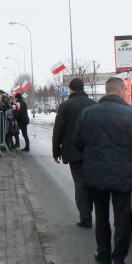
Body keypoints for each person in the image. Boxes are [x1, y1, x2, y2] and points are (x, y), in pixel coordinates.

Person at [71, 77, 132, 264]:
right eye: (124, 90)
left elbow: (76, 141)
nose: (125, 94)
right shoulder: (129, 114)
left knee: (101, 215)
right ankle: (119, 259)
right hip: (122, 173)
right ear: (118, 91)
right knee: (122, 216)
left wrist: (92, 152)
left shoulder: (88, 113)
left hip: (96, 172)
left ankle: (103, 253)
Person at [52, 78, 95, 228]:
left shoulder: (65, 106)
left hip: (73, 152)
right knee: (90, 183)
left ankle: (85, 217)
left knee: (80, 183)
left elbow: (58, 130)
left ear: (70, 89)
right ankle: (89, 211)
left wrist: (55, 151)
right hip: (92, 151)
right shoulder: (93, 105)